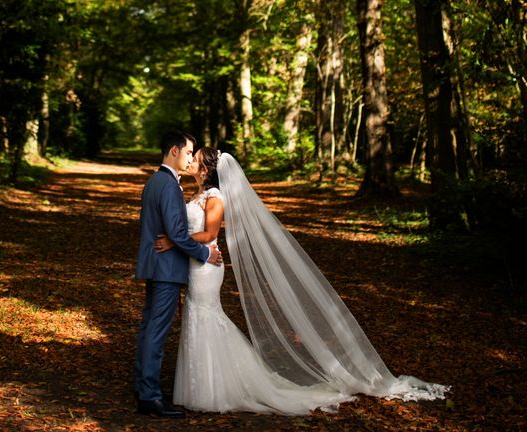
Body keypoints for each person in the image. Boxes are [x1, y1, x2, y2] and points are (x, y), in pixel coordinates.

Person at [154, 147, 449, 414]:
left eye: (196, 157)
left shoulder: (215, 197)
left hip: (206, 268)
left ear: (206, 169)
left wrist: (173, 241)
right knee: (198, 318)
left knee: (205, 318)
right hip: (196, 264)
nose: (190, 159)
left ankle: (212, 389)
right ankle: (202, 384)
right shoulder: (196, 194)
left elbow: (208, 236)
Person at [134, 131, 223, 418]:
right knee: (156, 332)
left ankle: (141, 386)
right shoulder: (170, 186)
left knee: (149, 327)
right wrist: (205, 254)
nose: (189, 159)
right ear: (174, 151)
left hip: (155, 264)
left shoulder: (154, 181)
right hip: (168, 267)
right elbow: (175, 233)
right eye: (188, 153)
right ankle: (149, 396)